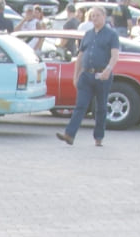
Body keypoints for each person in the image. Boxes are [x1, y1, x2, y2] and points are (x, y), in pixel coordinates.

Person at [57, 4, 120, 145]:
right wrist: (76, 75)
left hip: (102, 75)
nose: (95, 18)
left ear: (104, 17)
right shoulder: (88, 34)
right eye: (92, 16)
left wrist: (107, 70)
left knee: (101, 108)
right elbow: (80, 55)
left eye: (97, 15)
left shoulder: (111, 35)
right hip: (86, 75)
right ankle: (69, 135)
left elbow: (115, 55)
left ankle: (99, 137)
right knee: (80, 105)